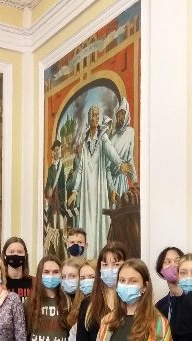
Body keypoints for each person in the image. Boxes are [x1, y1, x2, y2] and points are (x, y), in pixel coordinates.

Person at [67, 105, 130, 258]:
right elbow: (80, 169)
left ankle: (99, 257)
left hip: (99, 190)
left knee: (99, 222)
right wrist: (75, 191)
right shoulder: (85, 143)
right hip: (86, 191)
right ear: (89, 118)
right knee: (87, 222)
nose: (95, 118)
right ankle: (87, 257)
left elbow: (111, 152)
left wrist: (120, 164)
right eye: (93, 115)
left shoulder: (103, 138)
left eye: (97, 115)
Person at [109, 97, 137, 207]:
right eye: (117, 115)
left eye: (121, 114)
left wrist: (134, 179)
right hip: (111, 182)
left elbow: (130, 158)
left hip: (122, 180)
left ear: (126, 114)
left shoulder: (130, 132)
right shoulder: (113, 137)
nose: (119, 117)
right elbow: (108, 163)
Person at [44, 140, 69, 258]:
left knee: (62, 228)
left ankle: (62, 254)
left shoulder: (62, 167)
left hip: (61, 203)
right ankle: (54, 253)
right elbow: (48, 185)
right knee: (53, 228)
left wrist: (64, 201)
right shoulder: (50, 169)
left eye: (58, 150)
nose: (57, 152)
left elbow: (64, 186)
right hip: (53, 203)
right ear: (53, 152)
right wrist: (47, 192)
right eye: (55, 150)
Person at [61, 256, 85, 341]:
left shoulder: (87, 303)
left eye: (72, 276)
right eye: (63, 277)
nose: (67, 280)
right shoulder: (63, 302)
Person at [155, 247, 185, 322]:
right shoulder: (159, 306)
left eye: (177, 261)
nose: (173, 265)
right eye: (168, 262)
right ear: (161, 270)